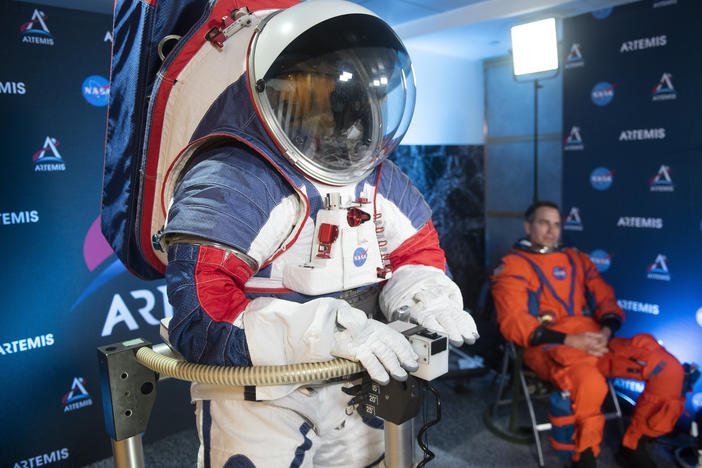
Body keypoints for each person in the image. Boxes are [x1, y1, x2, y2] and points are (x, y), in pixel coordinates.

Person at [159, 1, 479, 467]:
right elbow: (202, 316)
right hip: (260, 392)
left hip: (357, 380)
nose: (340, 114)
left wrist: (425, 298)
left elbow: (419, 257)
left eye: (351, 92)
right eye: (317, 92)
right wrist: (325, 333)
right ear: (277, 92)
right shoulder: (234, 179)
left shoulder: (383, 182)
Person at [491, 200, 685, 468]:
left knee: (668, 368)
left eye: (557, 224)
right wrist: (571, 340)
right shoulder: (513, 265)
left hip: (597, 341)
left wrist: (605, 331)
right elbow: (513, 322)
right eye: (544, 222)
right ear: (528, 226)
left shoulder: (577, 259)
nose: (551, 230)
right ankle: (584, 457)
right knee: (590, 383)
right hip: (549, 347)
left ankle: (635, 443)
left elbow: (605, 297)